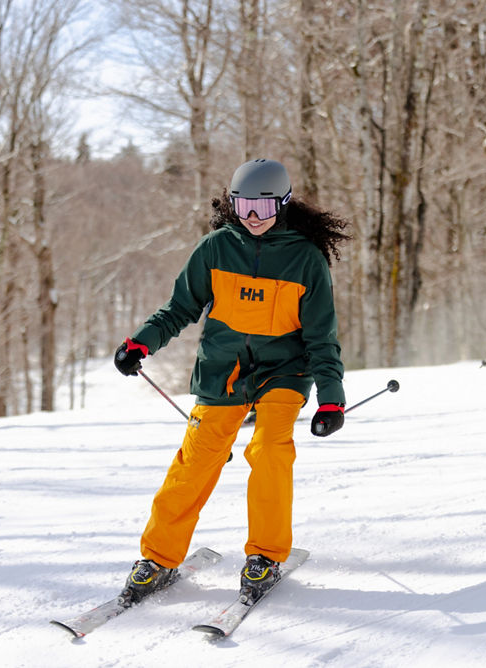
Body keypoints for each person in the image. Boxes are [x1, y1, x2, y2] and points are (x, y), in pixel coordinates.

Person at [112, 158, 351, 604]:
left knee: (270, 448)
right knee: (196, 461)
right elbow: (180, 307)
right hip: (223, 371)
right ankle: (158, 558)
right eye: (243, 206)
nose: (252, 218)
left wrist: (331, 400)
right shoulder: (215, 248)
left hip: (284, 371)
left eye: (262, 207)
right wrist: (141, 343)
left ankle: (264, 555)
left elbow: (322, 338)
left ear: (282, 204)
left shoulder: (305, 259)